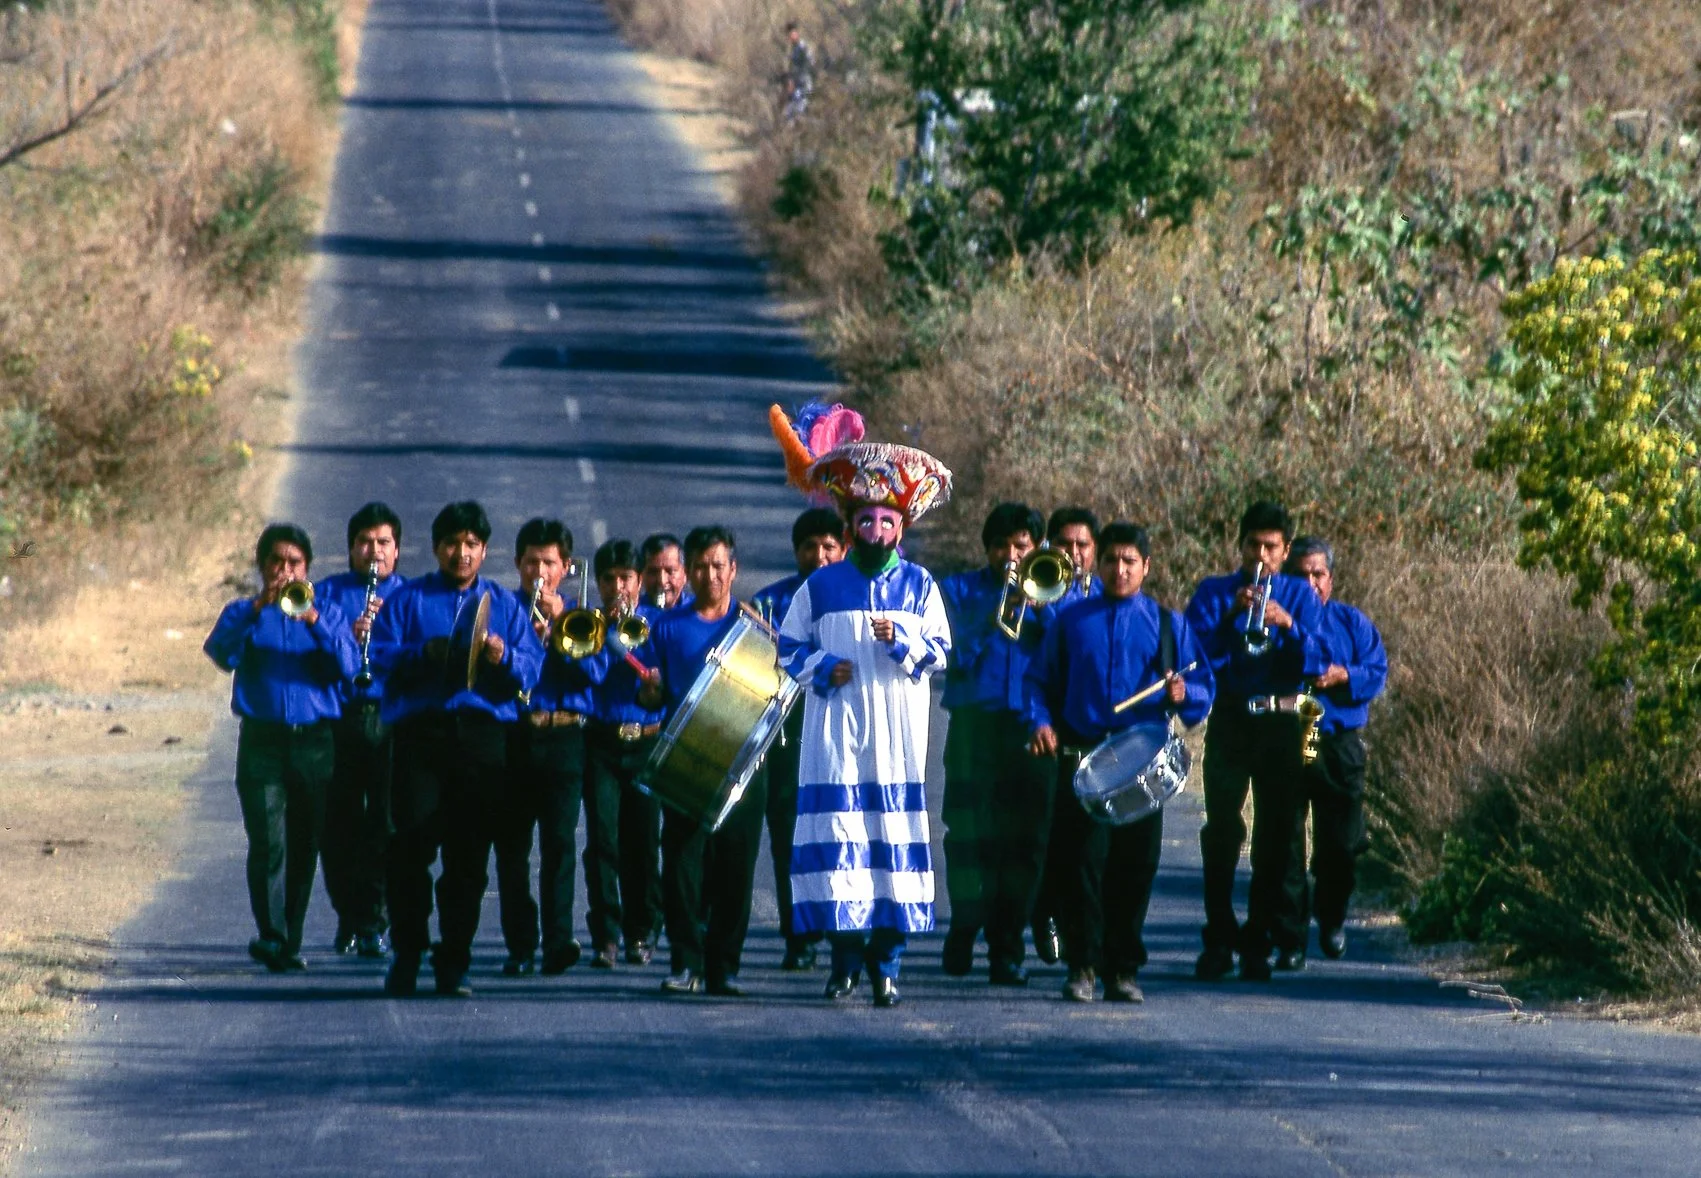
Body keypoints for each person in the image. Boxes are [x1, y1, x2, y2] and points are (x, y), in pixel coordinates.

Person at [770, 402, 953, 1008]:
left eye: (886, 520)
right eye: (866, 520)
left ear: (901, 527)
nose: (876, 530)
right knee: (845, 842)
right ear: (851, 525)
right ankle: (844, 961)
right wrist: (822, 668)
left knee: (891, 845)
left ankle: (889, 964)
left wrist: (901, 641)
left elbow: (940, 654)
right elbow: (788, 647)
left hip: (897, 739)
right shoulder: (821, 585)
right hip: (837, 736)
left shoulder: (921, 586)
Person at [1027, 522, 1214, 1002]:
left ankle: (1123, 970)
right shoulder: (1070, 621)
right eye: (1111, 559)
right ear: (1098, 563)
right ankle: (1082, 967)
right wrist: (1040, 723)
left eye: (1130, 560)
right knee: (1081, 866)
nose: (1120, 569)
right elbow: (1037, 683)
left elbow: (1202, 690)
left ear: (1146, 567)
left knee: (1135, 868)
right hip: (1084, 760)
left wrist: (1182, 692)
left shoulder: (1169, 625)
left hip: (1142, 768)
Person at [369, 501, 542, 997]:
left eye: (470, 544)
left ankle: (455, 960)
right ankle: (407, 951)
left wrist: (503, 654)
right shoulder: (407, 600)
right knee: (409, 849)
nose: (460, 553)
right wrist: (421, 653)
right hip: (422, 735)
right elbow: (377, 658)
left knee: (468, 857)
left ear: (485, 550)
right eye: (451, 543)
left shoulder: (505, 605)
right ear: (436, 547)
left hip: (483, 740)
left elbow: (531, 669)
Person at [204, 523, 359, 972]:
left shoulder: (325, 611)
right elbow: (219, 653)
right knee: (267, 840)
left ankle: (289, 937)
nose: (284, 571)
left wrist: (313, 620)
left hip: (314, 742)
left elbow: (349, 665)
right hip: (263, 741)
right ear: (262, 566)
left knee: (304, 842)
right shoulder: (245, 612)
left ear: (307, 569)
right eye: (276, 562)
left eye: (294, 563)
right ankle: (271, 934)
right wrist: (257, 608)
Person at [1183, 499, 1325, 982]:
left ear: (1285, 552)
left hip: (1282, 722)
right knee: (1221, 831)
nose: (1261, 557)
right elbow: (1192, 654)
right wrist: (1229, 619)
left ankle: (1260, 939)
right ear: (1239, 545)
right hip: (1231, 719)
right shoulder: (1214, 592)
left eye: (1271, 547)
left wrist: (1289, 626)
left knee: (1276, 835)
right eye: (1253, 546)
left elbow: (1319, 661)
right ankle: (1219, 936)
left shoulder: (1301, 597)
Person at [639, 525, 766, 996]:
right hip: (686, 761)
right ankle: (685, 962)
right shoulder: (667, 627)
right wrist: (649, 689)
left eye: (719, 565)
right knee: (682, 867)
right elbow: (651, 693)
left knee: (736, 868)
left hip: (744, 766)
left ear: (734, 570)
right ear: (688, 572)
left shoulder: (755, 628)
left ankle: (724, 967)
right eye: (700, 566)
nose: (710, 575)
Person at [937, 502, 1055, 985]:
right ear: (986, 549)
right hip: (972, 727)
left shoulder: (1052, 594)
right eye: (1002, 546)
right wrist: (994, 613)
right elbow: (951, 654)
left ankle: (1007, 950)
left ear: (1036, 550)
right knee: (966, 836)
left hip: (1029, 733)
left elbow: (1063, 665)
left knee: (1022, 845)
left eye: (1021, 547)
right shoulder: (959, 590)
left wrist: (1046, 611)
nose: (1011, 555)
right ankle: (965, 924)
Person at [497, 518, 604, 977]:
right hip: (517, 735)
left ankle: (558, 941)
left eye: (549, 563)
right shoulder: (503, 611)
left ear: (566, 568)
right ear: (518, 564)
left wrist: (561, 627)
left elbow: (597, 676)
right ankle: (520, 944)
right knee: (512, 848)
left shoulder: (582, 616)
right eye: (532, 562)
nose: (539, 571)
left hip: (564, 736)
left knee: (560, 844)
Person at [750, 506, 846, 972]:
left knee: (844, 835)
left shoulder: (860, 602)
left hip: (846, 738)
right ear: (797, 553)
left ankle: (847, 933)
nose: (820, 555)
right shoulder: (768, 603)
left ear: (844, 550)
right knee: (791, 840)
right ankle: (800, 937)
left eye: (830, 546)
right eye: (810, 547)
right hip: (789, 740)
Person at [1283, 536, 1387, 960]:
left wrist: (1344, 674)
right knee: (1287, 839)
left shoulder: (1351, 622)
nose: (1310, 583)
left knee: (1342, 840)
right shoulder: (1274, 619)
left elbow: (1377, 670)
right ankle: (1288, 938)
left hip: (1338, 739)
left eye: (1318, 574)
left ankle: (1331, 916)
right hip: (1295, 735)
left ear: (1330, 578)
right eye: (1301, 574)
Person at [313, 502, 405, 959]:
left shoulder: (408, 596)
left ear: (397, 551)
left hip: (391, 718)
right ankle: (348, 913)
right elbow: (313, 652)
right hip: (340, 715)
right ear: (351, 548)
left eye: (383, 543)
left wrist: (382, 637)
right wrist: (348, 635)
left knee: (386, 821)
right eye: (365, 543)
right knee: (339, 821)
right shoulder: (326, 593)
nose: (374, 552)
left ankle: (375, 917)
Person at [582, 537, 666, 968]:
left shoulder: (658, 622)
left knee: (643, 841)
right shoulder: (589, 624)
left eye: (626, 579)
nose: (619, 588)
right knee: (602, 841)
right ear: (598, 583)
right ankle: (605, 935)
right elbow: (589, 676)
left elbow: (668, 679)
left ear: (639, 581)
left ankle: (641, 930)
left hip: (647, 739)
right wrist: (606, 636)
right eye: (610, 579)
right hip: (601, 740)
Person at [1030, 505, 1102, 965]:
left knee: (1079, 839)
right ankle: (1045, 913)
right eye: (1064, 544)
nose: (1073, 554)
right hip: (1039, 723)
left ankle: (1066, 918)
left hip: (1084, 727)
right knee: (1043, 834)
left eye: (1083, 546)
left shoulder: (1106, 595)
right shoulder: (1038, 585)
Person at [640, 532, 692, 610]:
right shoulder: (634, 613)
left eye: (670, 571)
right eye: (653, 572)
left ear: (685, 574)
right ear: (642, 575)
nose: (662, 581)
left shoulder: (701, 612)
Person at [782, 21, 814, 122]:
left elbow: (808, 64)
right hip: (797, 84)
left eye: (792, 34)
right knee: (789, 112)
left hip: (803, 84)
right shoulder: (793, 49)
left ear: (796, 33)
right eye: (789, 35)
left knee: (796, 111)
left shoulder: (802, 47)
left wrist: (794, 81)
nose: (791, 37)